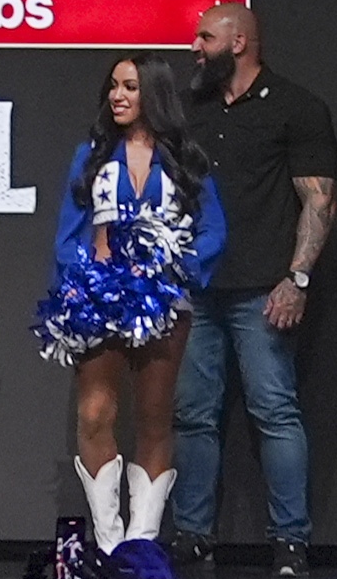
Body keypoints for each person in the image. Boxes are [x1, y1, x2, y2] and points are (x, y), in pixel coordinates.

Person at [166, 0, 337, 579]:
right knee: (192, 415)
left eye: (205, 37)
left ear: (239, 42)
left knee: (275, 412)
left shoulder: (295, 108)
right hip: (196, 286)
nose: (195, 46)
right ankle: (192, 534)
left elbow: (318, 199)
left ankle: (290, 539)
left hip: (263, 289)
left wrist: (298, 279)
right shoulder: (190, 109)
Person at [35, 51, 212, 550]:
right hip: (99, 299)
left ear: (153, 94)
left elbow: (212, 228)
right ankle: (109, 539)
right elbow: (68, 231)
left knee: (154, 415)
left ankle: (143, 540)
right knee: (94, 412)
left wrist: (178, 270)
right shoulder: (90, 154)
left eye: (130, 87)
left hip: (163, 301)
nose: (117, 95)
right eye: (113, 86)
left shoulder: (184, 159)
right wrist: (78, 282)